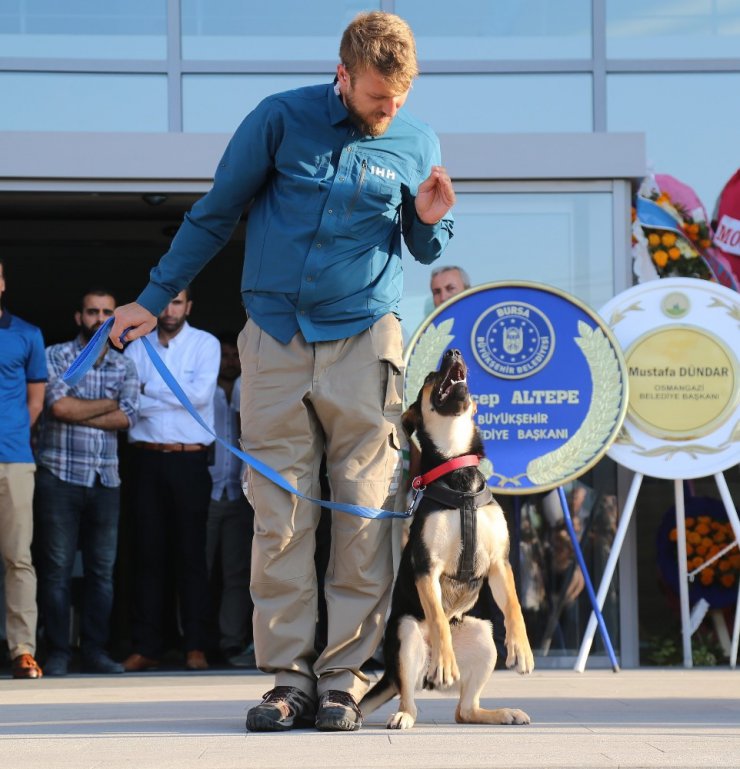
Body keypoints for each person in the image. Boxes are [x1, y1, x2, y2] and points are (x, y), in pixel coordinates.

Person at [109, 11, 455, 732]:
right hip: (274, 339)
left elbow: (424, 244)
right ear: (341, 75)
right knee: (279, 514)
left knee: (364, 512)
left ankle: (345, 679)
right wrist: (149, 297)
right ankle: (288, 678)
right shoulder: (279, 119)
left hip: (366, 337)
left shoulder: (416, 141)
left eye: (397, 101)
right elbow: (213, 214)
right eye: (373, 99)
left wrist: (429, 221)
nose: (387, 113)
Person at [33, 288, 140, 676]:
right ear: (79, 317)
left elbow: (129, 417)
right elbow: (58, 407)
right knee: (57, 569)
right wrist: (107, 404)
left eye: (107, 312)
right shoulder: (56, 355)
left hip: (105, 479)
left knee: (101, 572)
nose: (99, 318)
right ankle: (58, 650)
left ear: (115, 319)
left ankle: (95, 650)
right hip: (59, 476)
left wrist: (81, 410)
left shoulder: (125, 366)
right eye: (92, 312)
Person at [121, 288, 220, 673]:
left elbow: (198, 396)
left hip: (189, 460)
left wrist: (150, 394)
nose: (169, 310)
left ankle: (196, 645)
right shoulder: (136, 347)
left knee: (192, 556)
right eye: (164, 302)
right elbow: (129, 402)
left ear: (188, 307)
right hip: (145, 460)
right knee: (147, 555)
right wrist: (164, 395)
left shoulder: (206, 344)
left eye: (176, 302)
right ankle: (148, 646)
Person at [0, 257, 47, 679]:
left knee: (18, 557)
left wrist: (11, 434)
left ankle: (22, 649)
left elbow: (36, 400)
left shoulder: (26, 334)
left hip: (13, 460)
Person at [206, 331, 255, 668]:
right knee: (201, 570)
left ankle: (230, 643)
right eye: (223, 356)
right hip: (206, 490)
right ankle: (198, 642)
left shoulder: (247, 385)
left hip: (238, 492)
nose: (229, 362)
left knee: (237, 573)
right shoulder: (202, 388)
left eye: (233, 355)